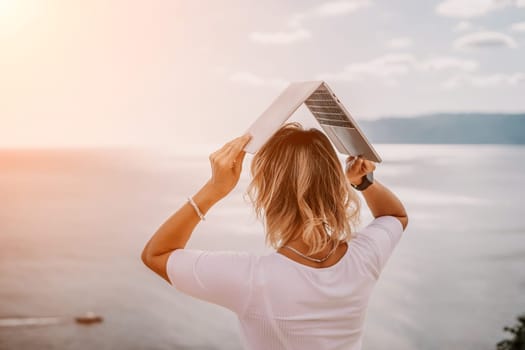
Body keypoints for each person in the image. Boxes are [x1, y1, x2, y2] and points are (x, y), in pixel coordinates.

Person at [141, 122, 408, 350]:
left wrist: (215, 189)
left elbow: (156, 254)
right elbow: (395, 217)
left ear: (267, 194)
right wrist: (363, 182)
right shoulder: (364, 259)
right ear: (335, 185)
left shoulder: (252, 280)